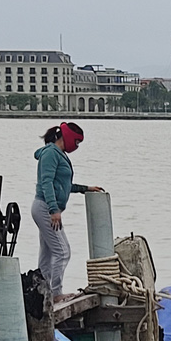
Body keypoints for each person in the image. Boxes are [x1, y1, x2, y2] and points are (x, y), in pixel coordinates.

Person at [32, 122, 101, 298]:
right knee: (62, 251)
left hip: (47, 209)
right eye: (77, 142)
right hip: (46, 208)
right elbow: (46, 182)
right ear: (68, 138)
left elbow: (63, 185)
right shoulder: (50, 154)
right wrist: (54, 210)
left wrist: (86, 188)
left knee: (48, 252)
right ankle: (55, 293)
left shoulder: (58, 154)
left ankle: (43, 293)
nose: (77, 147)